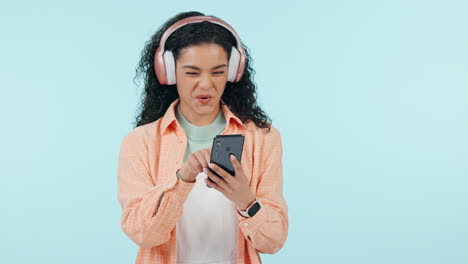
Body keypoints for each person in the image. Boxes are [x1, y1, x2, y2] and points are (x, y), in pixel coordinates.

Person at [117, 11, 288, 264]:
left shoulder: (262, 138)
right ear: (169, 73)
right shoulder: (140, 142)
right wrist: (183, 179)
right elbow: (143, 234)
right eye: (192, 73)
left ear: (232, 72)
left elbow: (273, 241)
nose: (206, 85)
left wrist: (246, 201)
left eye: (217, 72)